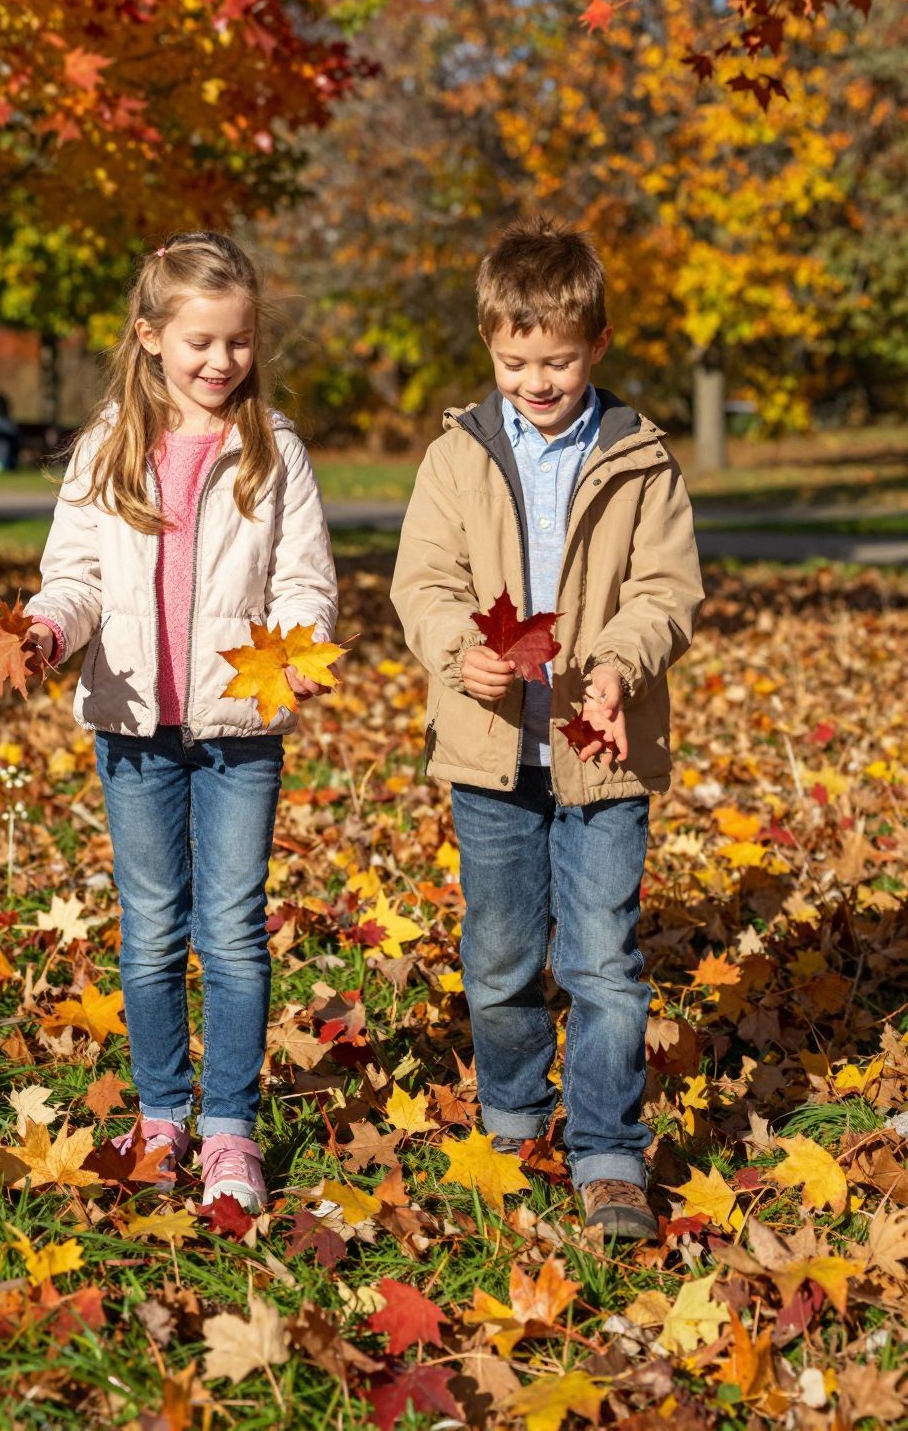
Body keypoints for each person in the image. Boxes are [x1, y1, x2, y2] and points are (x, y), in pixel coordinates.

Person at [390, 216, 703, 1241]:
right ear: (490, 346)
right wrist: (455, 647)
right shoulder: (457, 455)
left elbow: (668, 587)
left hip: (602, 749)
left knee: (605, 955)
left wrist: (617, 661)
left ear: (597, 344)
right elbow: (425, 579)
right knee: (502, 950)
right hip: (491, 749)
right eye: (516, 358)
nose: (537, 378)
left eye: (559, 358)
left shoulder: (640, 458)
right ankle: (518, 1115)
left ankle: (609, 1146)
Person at [24, 233, 337, 1214]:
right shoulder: (109, 444)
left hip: (240, 726)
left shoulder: (272, 446)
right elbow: (73, 573)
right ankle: (162, 1114)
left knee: (235, 932)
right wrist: (47, 628)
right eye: (201, 340)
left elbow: (304, 576)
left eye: (238, 341)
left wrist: (299, 647)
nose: (221, 361)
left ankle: (230, 1129)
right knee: (153, 928)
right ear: (151, 336)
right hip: (132, 730)